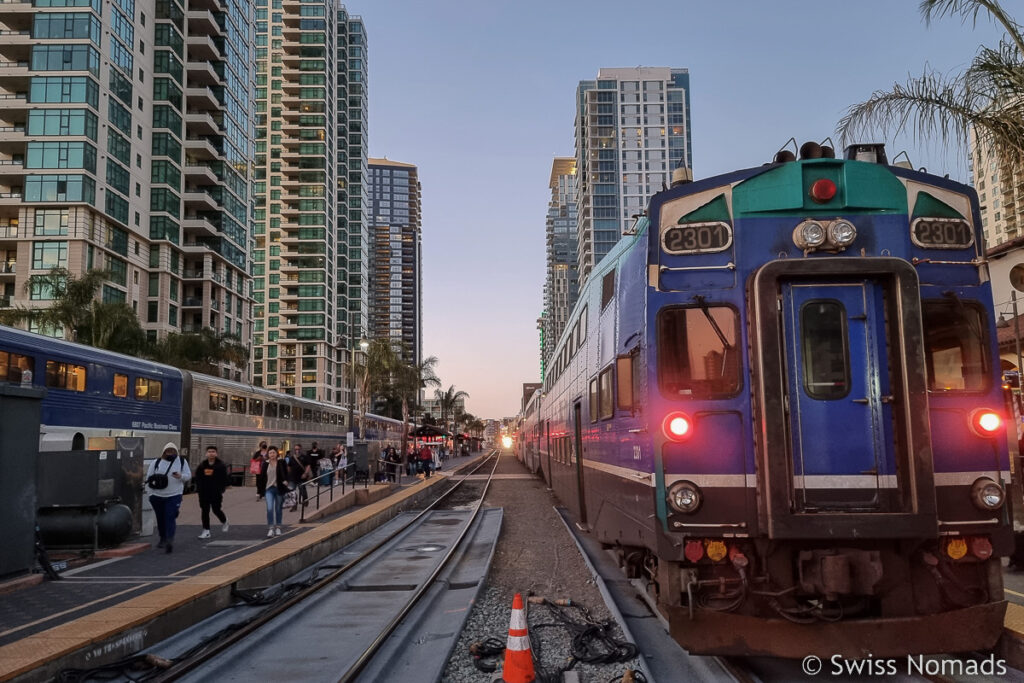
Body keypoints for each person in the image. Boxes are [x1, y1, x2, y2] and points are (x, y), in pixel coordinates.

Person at [145, 442, 192, 553]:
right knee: (161, 518)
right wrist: (150, 494)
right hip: (157, 496)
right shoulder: (156, 463)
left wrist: (181, 476)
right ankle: (163, 538)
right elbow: (149, 478)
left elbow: (188, 475)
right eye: (168, 451)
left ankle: (170, 540)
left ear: (176, 452)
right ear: (164, 452)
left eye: (172, 451)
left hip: (174, 495)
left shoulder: (181, 462)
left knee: (169, 517)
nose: (170, 453)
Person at [195, 446, 229, 539]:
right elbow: (198, 478)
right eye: (209, 451)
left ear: (216, 453)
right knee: (205, 511)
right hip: (204, 493)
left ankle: (225, 521)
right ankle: (206, 531)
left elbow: (225, 479)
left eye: (213, 451)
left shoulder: (221, 466)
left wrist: (221, 489)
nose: (211, 453)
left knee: (216, 510)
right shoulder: (202, 465)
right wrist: (199, 489)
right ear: (206, 453)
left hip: (216, 493)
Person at [261, 446, 290, 537]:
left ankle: (278, 527)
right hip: (269, 489)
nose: (272, 454)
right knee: (269, 508)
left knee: (278, 508)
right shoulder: (265, 464)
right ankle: (270, 528)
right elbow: (261, 477)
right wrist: (260, 491)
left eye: (273, 452)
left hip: (279, 488)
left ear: (277, 453)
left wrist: (286, 481)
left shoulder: (281, 462)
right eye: (270, 453)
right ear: (268, 455)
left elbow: (286, 473)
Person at [287, 443, 311, 511]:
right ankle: (294, 505)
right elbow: (289, 466)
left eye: (298, 449)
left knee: (302, 490)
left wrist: (305, 473)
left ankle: (305, 500)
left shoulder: (304, 457)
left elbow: (308, 466)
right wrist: (288, 475)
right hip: (292, 478)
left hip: (301, 477)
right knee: (292, 492)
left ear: (301, 449)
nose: (297, 450)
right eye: (296, 449)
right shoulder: (292, 458)